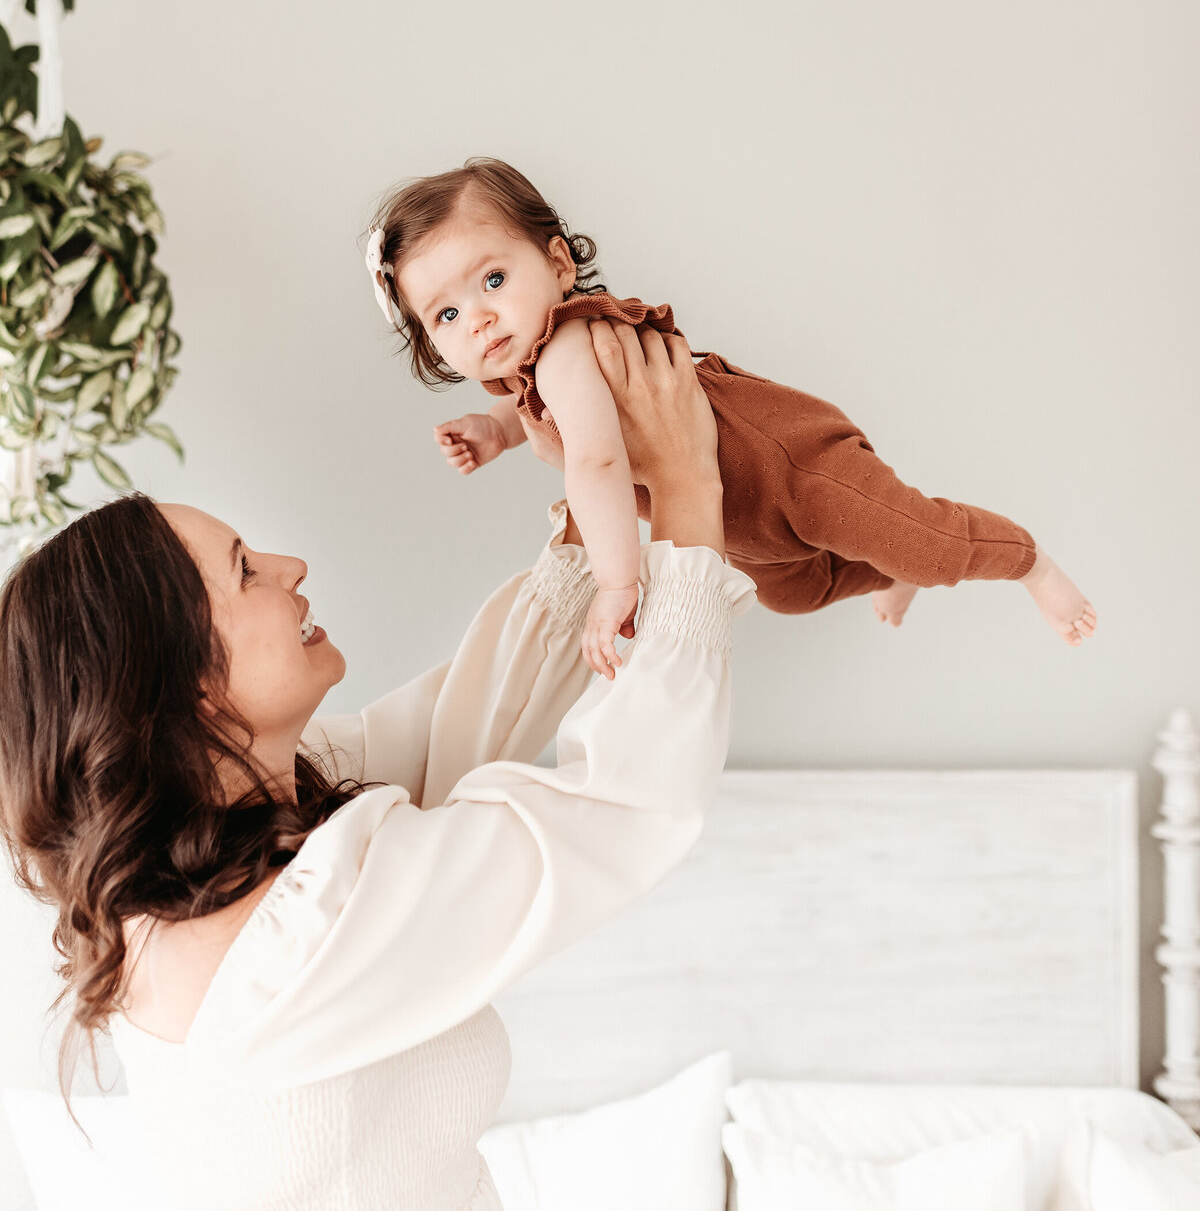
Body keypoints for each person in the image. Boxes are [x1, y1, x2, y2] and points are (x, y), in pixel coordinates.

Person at [0, 323, 752, 1211]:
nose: (290, 566)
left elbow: (457, 724)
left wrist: (604, 510)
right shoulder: (283, 945)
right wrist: (686, 487)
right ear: (185, 692)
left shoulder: (246, 825)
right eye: (245, 572)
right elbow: (624, 803)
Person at [366, 156, 1097, 677]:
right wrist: (494, 430)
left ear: (558, 263)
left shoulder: (568, 344)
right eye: (448, 314)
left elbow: (596, 460)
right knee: (797, 592)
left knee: (931, 546)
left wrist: (620, 584)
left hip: (793, 465)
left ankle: (1029, 562)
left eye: (494, 278)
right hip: (742, 517)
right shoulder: (536, 370)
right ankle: (891, 566)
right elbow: (541, 411)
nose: (481, 317)